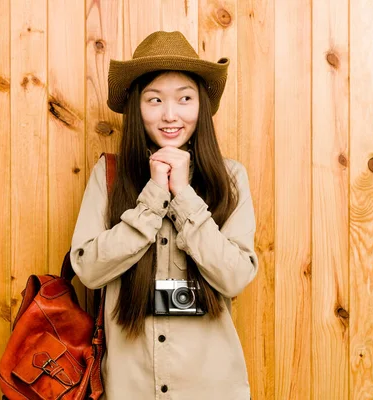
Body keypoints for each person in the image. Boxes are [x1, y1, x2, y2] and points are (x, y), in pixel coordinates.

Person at [70, 30, 258, 400]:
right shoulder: (109, 176)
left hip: (212, 388)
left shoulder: (230, 177)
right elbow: (88, 270)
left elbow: (236, 276)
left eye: (184, 99)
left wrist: (184, 195)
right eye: (154, 100)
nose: (170, 115)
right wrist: (153, 198)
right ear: (137, 108)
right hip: (129, 388)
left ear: (201, 106)